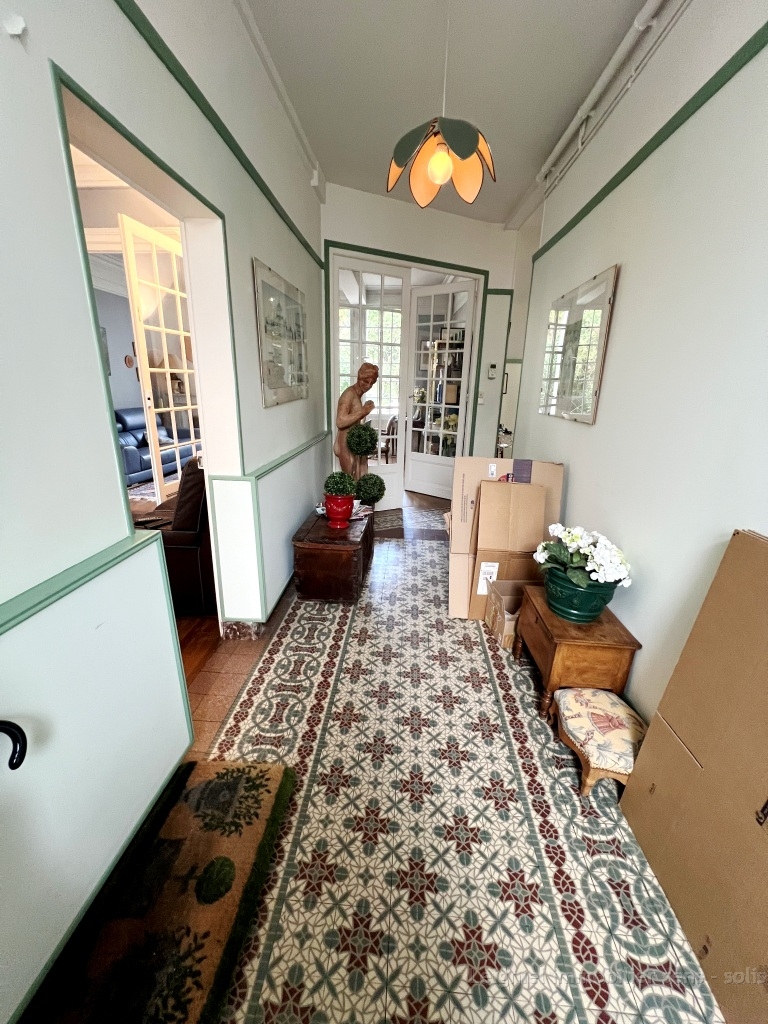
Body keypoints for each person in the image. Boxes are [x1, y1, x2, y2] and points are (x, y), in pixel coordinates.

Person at [333, 362, 379, 479]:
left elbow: (354, 417)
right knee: (351, 479)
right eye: (365, 381)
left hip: (354, 442)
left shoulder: (357, 395)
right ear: (359, 377)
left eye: (371, 383)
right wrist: (363, 411)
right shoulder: (349, 394)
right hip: (346, 443)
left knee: (359, 478)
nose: (368, 386)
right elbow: (340, 421)